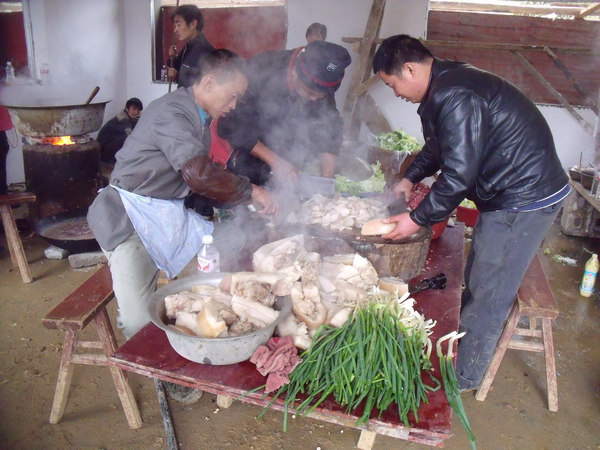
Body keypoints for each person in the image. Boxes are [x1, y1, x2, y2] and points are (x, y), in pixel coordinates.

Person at [372, 35, 569, 391]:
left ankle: (463, 378)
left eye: (392, 84)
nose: (395, 92)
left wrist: (416, 219)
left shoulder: (456, 95)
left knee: (490, 291)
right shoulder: (445, 85)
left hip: (523, 197)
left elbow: (459, 174)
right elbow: (438, 147)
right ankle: (462, 348)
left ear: (410, 69)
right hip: (514, 190)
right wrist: (409, 178)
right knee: (480, 274)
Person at [87, 49, 278, 342]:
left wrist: (240, 200)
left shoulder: (199, 119)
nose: (233, 105)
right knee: (139, 325)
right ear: (210, 82)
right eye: (232, 96)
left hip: (165, 216)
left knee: (232, 239)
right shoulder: (173, 112)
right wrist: (252, 191)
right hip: (129, 221)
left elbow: (201, 180)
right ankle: (156, 348)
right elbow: (199, 174)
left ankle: (208, 304)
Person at [218, 40, 351, 185]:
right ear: (294, 72)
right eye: (309, 93)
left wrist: (327, 175)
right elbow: (230, 124)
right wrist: (276, 162)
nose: (314, 99)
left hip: (287, 164)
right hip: (243, 164)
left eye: (320, 96)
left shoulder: (321, 79)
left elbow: (330, 124)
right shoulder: (262, 69)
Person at [167, 4, 215, 89]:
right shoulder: (188, 46)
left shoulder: (205, 51)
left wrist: (177, 76)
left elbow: (201, 85)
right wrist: (172, 57)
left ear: (193, 24)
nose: (175, 30)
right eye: (175, 26)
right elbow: (176, 66)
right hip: (184, 96)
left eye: (179, 25)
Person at [96, 97, 143, 165]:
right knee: (129, 140)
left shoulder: (128, 115)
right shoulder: (122, 120)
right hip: (104, 154)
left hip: (107, 149)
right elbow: (131, 138)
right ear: (127, 108)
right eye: (134, 109)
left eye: (138, 110)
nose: (136, 112)